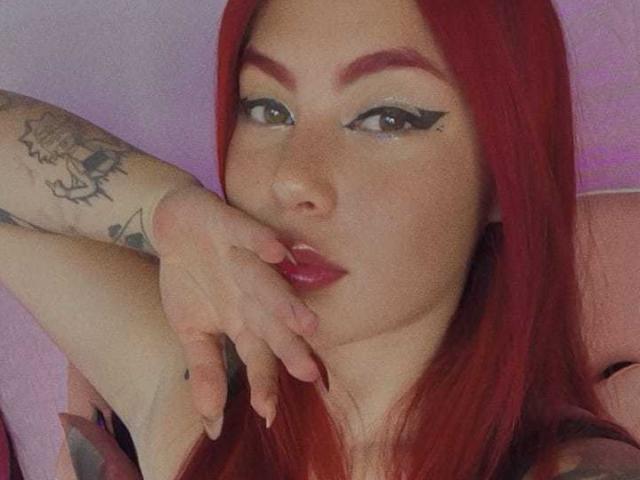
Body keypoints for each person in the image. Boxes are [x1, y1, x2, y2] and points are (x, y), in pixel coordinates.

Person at [2, 0, 640, 479]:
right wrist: (163, 211)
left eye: (387, 117)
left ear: (505, 171)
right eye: (267, 108)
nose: (293, 179)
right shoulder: (205, 403)